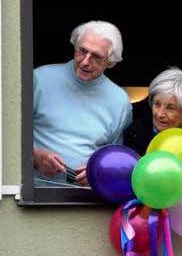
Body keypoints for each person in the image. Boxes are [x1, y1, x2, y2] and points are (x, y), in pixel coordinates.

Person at [33, 21, 133, 187]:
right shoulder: (39, 79)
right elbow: (9, 132)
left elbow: (115, 159)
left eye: (96, 56)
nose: (85, 61)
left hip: (87, 198)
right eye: (82, 51)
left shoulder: (120, 101)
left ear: (111, 61)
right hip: (35, 193)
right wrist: (34, 155)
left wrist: (99, 173)